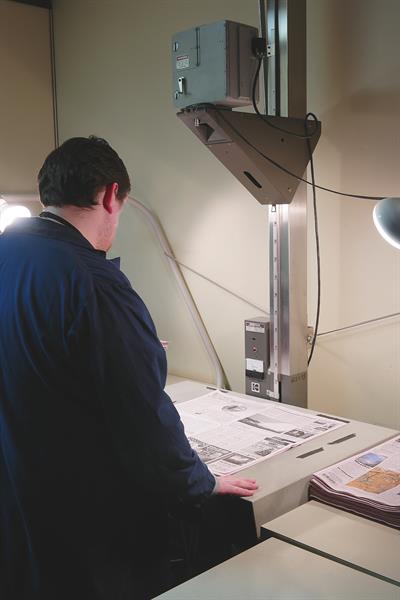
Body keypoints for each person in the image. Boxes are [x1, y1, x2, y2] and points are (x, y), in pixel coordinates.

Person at [0, 136, 258, 600]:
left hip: (20, 497)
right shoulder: (93, 282)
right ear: (109, 195)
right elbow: (142, 417)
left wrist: (130, 350)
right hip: (88, 527)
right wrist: (202, 482)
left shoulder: (10, 252)